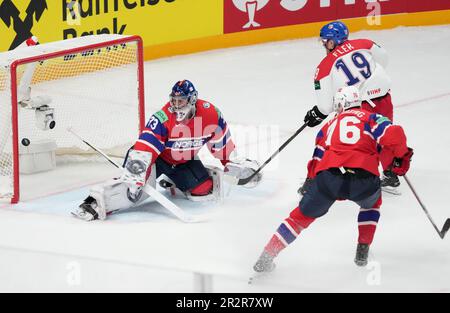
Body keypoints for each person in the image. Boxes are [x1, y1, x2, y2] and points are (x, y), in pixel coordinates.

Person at [253, 86, 413, 272]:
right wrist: (402, 156)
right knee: (372, 204)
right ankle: (363, 248)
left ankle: (267, 256)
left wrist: (310, 182)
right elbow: (394, 134)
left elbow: (317, 156)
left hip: (329, 178)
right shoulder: (372, 118)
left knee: (299, 218)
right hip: (364, 178)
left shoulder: (328, 126)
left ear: (340, 105)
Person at [73, 80, 261, 221]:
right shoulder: (162, 117)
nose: (176, 106)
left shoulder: (211, 115)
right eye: (174, 101)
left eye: (181, 101)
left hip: (183, 161)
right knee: (132, 194)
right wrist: (135, 179)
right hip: (156, 160)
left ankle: (172, 181)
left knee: (204, 190)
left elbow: (222, 146)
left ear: (193, 99)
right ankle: (93, 203)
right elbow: (144, 148)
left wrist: (236, 167)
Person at [301, 20, 400, 195]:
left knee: (329, 140)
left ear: (333, 41)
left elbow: (325, 107)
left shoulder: (324, 67)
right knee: (382, 134)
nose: (324, 45)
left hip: (358, 108)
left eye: (326, 41)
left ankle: (315, 181)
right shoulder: (365, 43)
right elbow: (384, 60)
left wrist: (316, 114)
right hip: (383, 99)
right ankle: (391, 174)